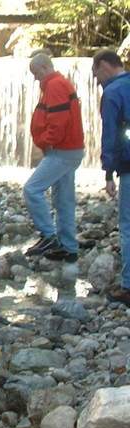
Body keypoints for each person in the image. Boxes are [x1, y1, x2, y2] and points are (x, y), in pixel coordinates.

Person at [23, 51, 85, 262]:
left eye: (35, 73)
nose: (35, 78)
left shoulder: (55, 85)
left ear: (44, 68)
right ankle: (69, 247)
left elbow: (58, 121)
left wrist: (47, 141)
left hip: (62, 150)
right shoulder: (58, 84)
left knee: (32, 189)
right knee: (63, 200)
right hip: (69, 149)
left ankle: (49, 236)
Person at [92, 49, 130, 305]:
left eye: (96, 75)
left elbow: (110, 136)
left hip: (129, 165)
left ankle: (128, 286)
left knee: (128, 226)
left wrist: (108, 173)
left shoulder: (114, 92)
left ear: (104, 66)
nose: (98, 81)